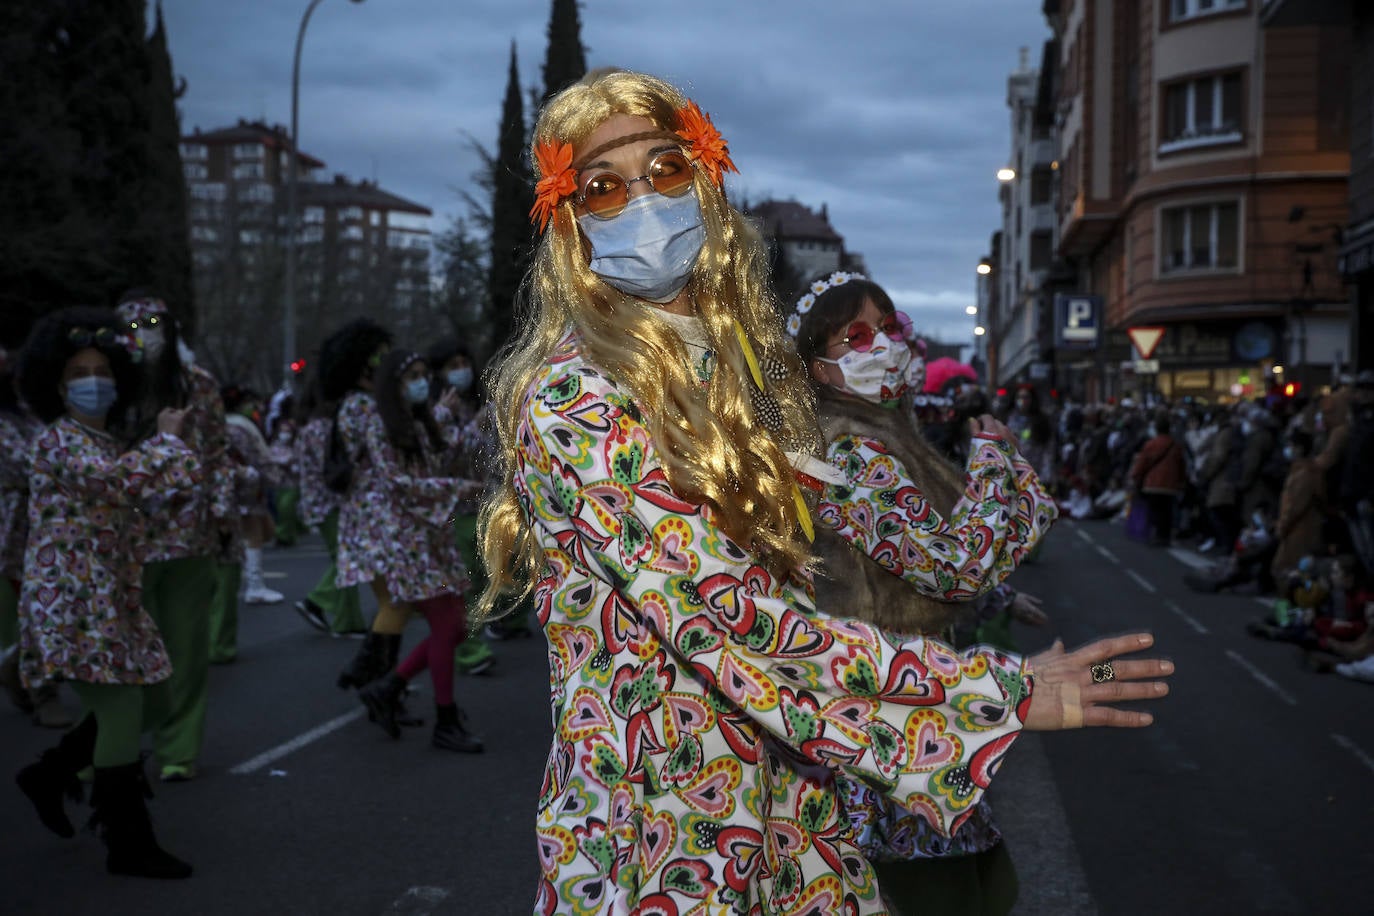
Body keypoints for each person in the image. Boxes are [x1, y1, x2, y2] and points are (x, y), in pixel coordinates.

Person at [475, 68, 1172, 914]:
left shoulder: (749, 374)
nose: (646, 201)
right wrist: (1001, 690)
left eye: (664, 170)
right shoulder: (571, 396)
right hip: (665, 832)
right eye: (603, 186)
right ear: (572, 220)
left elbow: (880, 534)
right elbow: (732, 621)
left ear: (705, 177)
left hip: (798, 813)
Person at [793, 271, 1055, 914]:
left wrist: (997, 601)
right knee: (920, 887)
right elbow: (951, 564)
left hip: (913, 684)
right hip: (881, 695)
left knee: (956, 881)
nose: (881, 346)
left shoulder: (885, 434)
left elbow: (918, 550)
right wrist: (996, 459)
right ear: (818, 367)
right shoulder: (847, 447)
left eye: (887, 329)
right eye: (854, 337)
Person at [12, 306, 198, 878]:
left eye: (101, 369)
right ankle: (127, 841)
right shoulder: (55, 442)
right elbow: (113, 485)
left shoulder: (107, 440)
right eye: (76, 373)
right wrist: (167, 445)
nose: (93, 380)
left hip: (113, 597)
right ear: (54, 384)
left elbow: (131, 500)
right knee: (121, 708)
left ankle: (51, 772)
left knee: (160, 699)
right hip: (73, 603)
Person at [345, 349, 485, 751]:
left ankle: (390, 687)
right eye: (413, 377)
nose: (422, 383)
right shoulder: (381, 425)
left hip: (432, 537)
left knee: (455, 627)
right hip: (409, 542)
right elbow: (400, 483)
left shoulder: (416, 422)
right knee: (447, 626)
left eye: (426, 374)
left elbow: (440, 454)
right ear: (394, 384)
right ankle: (444, 719)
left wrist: (457, 422)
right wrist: (456, 489)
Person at [116, 291, 230, 782]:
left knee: (184, 649)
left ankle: (177, 749)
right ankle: (109, 744)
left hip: (188, 535)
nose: (146, 333)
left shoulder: (197, 385)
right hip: (125, 536)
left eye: (154, 323)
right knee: (117, 649)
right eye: (135, 326)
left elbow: (218, 452)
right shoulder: (113, 384)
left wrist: (221, 514)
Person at [0, 337, 73, 727]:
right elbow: (20, 464)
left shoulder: (27, 412)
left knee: (51, 606)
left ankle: (15, 668)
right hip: (14, 526)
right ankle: (42, 690)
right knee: (36, 608)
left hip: (48, 520)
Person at [425, 339, 499, 674]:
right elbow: (442, 455)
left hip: (480, 504)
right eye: (451, 366)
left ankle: (467, 640)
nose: (461, 372)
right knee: (464, 583)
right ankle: (469, 650)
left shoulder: (472, 404)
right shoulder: (433, 410)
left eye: (463, 363)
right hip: (449, 510)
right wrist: (475, 427)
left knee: (482, 579)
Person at [291, 372, 368, 637]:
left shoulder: (310, 428)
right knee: (347, 560)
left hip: (320, 504)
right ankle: (329, 609)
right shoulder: (324, 429)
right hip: (331, 503)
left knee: (345, 558)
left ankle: (337, 613)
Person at [1127, 411, 1188, 547]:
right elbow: (1181, 465)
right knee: (1167, 511)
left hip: (1153, 482)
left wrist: (1135, 476)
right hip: (1170, 484)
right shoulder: (1175, 446)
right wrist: (1181, 481)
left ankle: (1156, 535)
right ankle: (1164, 535)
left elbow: (1142, 462)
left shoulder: (1151, 444)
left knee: (1154, 509)